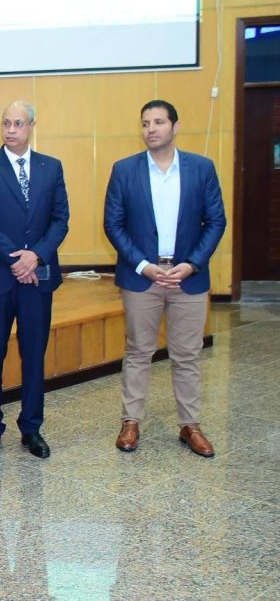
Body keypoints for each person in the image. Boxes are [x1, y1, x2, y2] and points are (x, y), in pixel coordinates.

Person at [103, 99, 226, 457]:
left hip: (187, 277)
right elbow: (113, 224)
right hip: (143, 276)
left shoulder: (201, 168)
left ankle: (190, 425)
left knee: (187, 354)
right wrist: (143, 265)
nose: (151, 129)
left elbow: (215, 221)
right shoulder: (124, 170)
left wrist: (192, 264)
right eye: (145, 123)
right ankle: (130, 422)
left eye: (158, 122)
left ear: (175, 126)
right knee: (138, 351)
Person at [0, 101, 69, 460]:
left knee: (34, 355)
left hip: (37, 279)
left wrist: (35, 256)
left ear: (31, 126)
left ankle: (32, 427)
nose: (11, 130)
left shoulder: (51, 167)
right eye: (6, 123)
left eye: (18, 124)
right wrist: (16, 258)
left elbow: (60, 219)